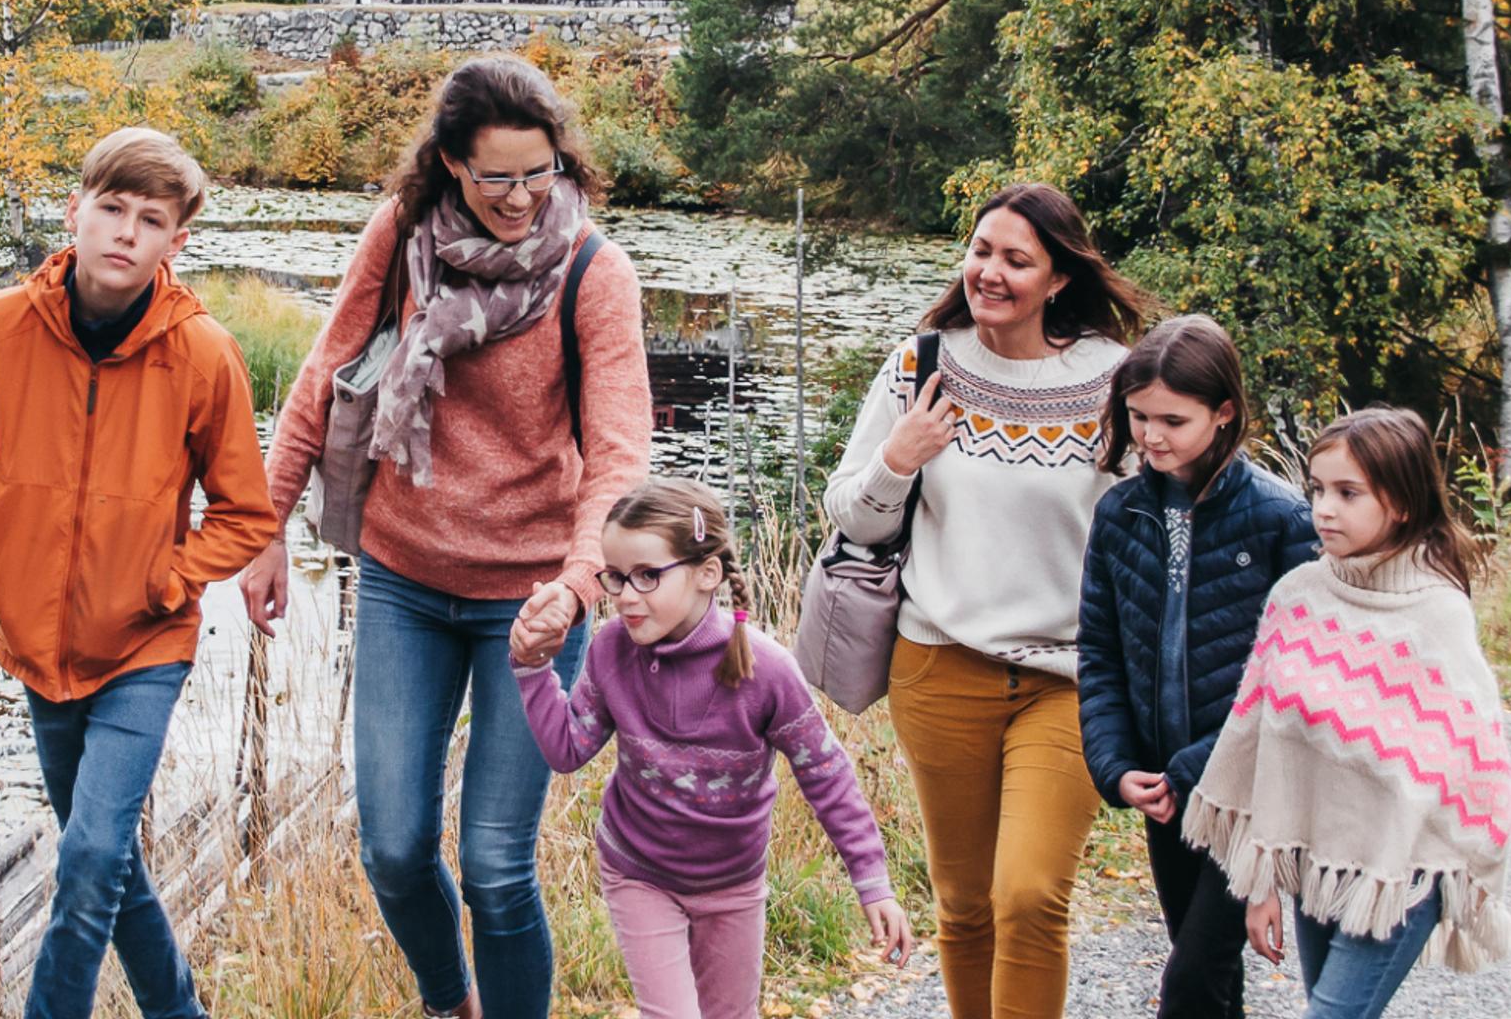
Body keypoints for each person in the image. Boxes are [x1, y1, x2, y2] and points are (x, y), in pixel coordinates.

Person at [245, 56, 652, 1019]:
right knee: (391, 848)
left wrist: (581, 581)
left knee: (497, 867)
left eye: (538, 173)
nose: (519, 197)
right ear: (450, 167)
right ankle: (448, 1001)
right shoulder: (401, 238)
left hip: (534, 599)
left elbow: (622, 449)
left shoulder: (593, 272)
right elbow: (326, 370)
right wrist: (263, 529)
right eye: (496, 176)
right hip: (404, 578)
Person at [0, 127, 279, 1019]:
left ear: (176, 241)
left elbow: (245, 513)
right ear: (75, 211)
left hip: (143, 645)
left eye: (150, 219)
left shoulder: (202, 353)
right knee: (106, 859)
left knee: (89, 855)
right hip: (38, 641)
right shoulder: (0, 327)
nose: (126, 232)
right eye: (113, 209)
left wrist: (168, 581)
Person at [822, 181, 1149, 1019]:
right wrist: (898, 459)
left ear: (1059, 280)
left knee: (1030, 894)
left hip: (1069, 680)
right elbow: (849, 510)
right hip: (940, 667)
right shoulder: (922, 365)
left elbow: (1152, 526)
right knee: (964, 906)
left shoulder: (1112, 381)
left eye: (1015, 259)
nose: (989, 272)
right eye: (980, 250)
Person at [512, 477, 915, 1019]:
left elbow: (827, 775)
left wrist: (873, 883)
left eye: (648, 576)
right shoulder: (613, 650)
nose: (627, 596)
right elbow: (567, 749)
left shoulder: (767, 671)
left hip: (733, 885)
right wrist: (534, 670)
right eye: (616, 577)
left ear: (708, 574)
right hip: (638, 872)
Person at [1184, 407, 1511, 1018]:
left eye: (1347, 493)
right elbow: (1260, 748)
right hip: (1318, 861)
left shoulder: (1438, 615)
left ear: (1403, 503)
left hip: (1401, 871)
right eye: (1317, 489)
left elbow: (1473, 762)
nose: (1324, 508)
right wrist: (1261, 886)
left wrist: (1464, 866)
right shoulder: (1298, 597)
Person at [1076, 314, 1319, 1017]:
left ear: (1224, 414)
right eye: (1139, 416)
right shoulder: (1120, 514)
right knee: (1207, 975)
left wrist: (1200, 766)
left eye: (1172, 420)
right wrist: (1116, 765)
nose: (1151, 435)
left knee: (1189, 979)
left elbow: (1294, 679)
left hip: (1249, 793)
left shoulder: (1282, 520)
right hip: (1162, 786)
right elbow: (1100, 653)